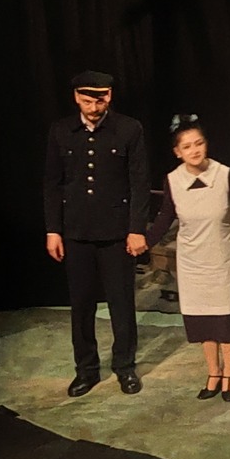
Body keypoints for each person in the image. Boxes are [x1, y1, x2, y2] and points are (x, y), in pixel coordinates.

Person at [144, 114, 230, 402]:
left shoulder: (224, 174)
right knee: (205, 320)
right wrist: (145, 241)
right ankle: (213, 373)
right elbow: (165, 216)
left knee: (226, 320)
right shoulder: (173, 180)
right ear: (177, 152)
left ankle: (228, 374)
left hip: (223, 259)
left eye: (199, 143)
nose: (194, 150)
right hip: (193, 262)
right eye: (187, 146)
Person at [43, 69, 150, 397]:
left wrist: (136, 229)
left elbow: (139, 182)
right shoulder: (61, 131)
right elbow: (52, 183)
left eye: (100, 100)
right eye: (88, 100)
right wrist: (53, 230)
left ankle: (125, 366)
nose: (94, 107)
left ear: (109, 97)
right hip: (76, 232)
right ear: (76, 97)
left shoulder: (128, 129)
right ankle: (86, 370)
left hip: (116, 232)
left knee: (121, 303)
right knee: (82, 306)